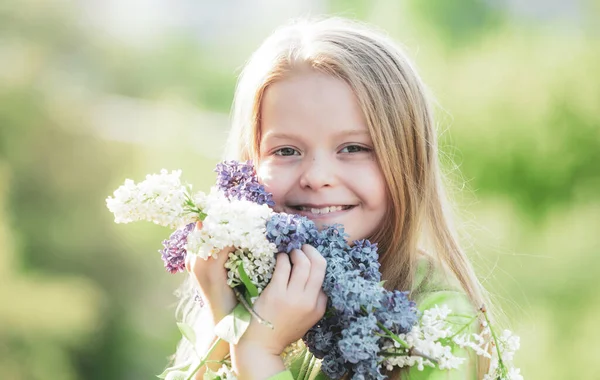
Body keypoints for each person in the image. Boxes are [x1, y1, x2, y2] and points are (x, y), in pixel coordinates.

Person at [170, 17, 492, 380]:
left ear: (408, 161)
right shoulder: (247, 285)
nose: (317, 177)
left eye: (353, 148)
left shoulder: (437, 319)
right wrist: (225, 321)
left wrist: (258, 353)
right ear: (250, 166)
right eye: (287, 150)